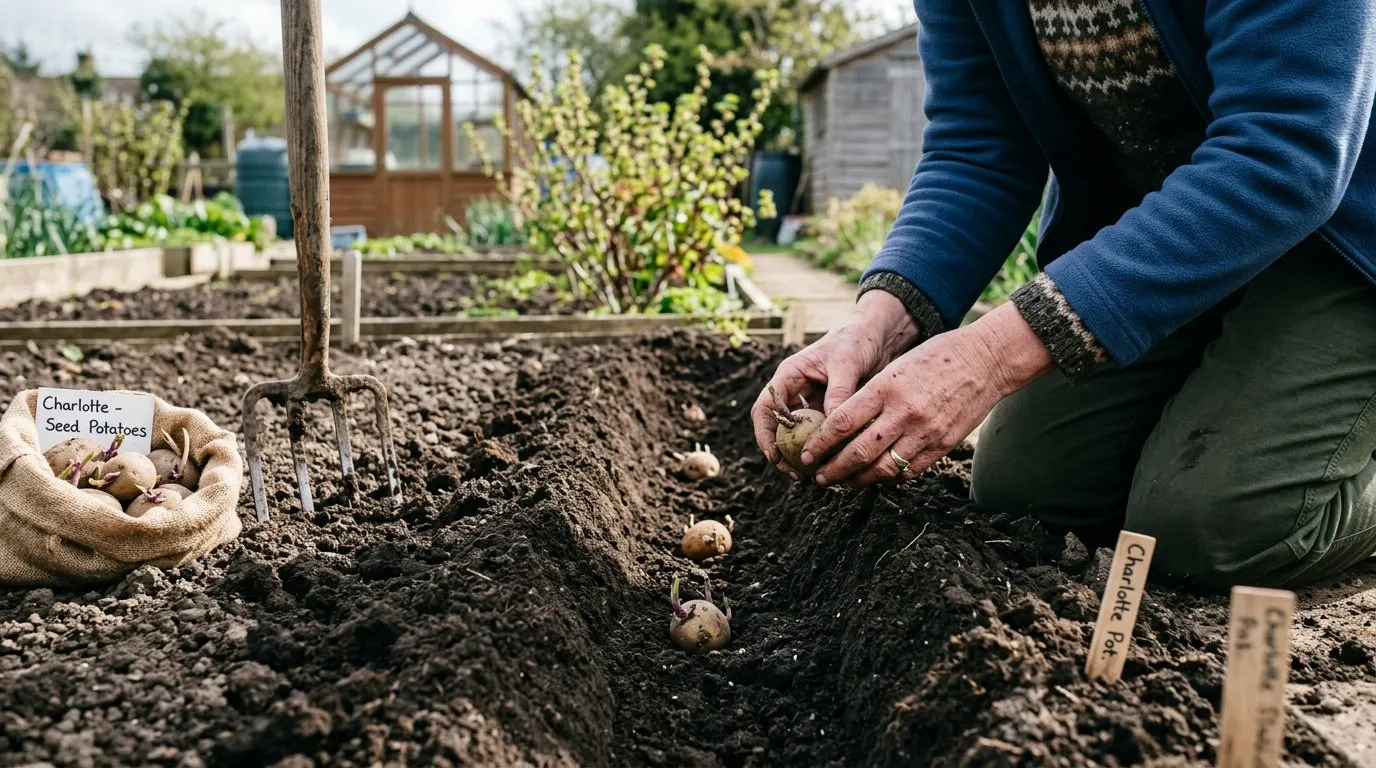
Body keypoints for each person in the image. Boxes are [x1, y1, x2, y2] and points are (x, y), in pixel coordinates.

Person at [751, 0, 1376, 591]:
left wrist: (991, 355)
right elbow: (978, 148)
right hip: (1162, 245)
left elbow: (1285, 149)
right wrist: (877, 322)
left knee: (1214, 527)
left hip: (1344, 241)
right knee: (1031, 492)